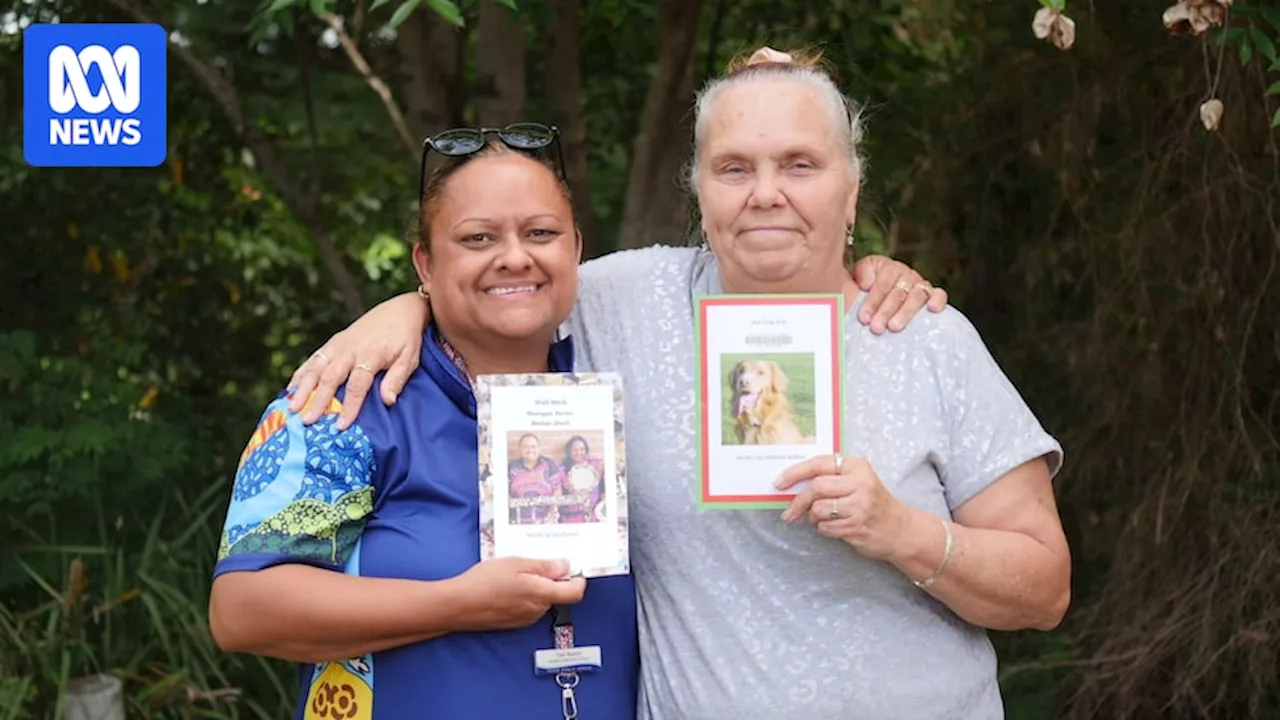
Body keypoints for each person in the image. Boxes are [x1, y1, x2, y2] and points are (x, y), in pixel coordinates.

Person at [287, 47, 1068, 720]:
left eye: (800, 165)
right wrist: (404, 307)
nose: (767, 193)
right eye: (735, 168)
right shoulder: (623, 303)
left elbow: (1043, 590)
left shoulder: (924, 336)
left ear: (851, 188)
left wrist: (900, 530)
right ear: (697, 188)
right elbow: (501, 280)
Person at [208, 134, 640, 719]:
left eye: (540, 233)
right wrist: (458, 603)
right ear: (425, 265)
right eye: (477, 238)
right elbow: (241, 609)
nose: (515, 256)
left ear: (576, 249)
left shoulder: (624, 388)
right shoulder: (346, 402)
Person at [508, 432, 567, 524]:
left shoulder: (549, 464)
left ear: (539, 448)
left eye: (533, 446)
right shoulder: (511, 467)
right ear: (520, 449)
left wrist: (553, 510)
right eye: (525, 447)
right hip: (519, 520)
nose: (530, 449)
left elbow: (557, 489)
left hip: (546, 519)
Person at [558, 435, 607, 523]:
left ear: (586, 450)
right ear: (569, 451)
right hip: (570, 516)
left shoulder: (594, 464)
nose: (578, 452)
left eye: (582, 449)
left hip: (593, 515)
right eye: (574, 450)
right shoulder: (562, 470)